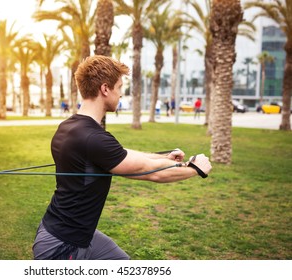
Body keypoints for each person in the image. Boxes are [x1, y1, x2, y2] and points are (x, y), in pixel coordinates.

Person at [32, 55, 212, 260]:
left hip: (72, 232)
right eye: (119, 87)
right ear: (105, 88)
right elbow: (151, 174)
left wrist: (167, 159)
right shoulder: (93, 137)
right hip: (63, 246)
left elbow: (123, 155)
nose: (120, 94)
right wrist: (195, 169)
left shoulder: (70, 126)